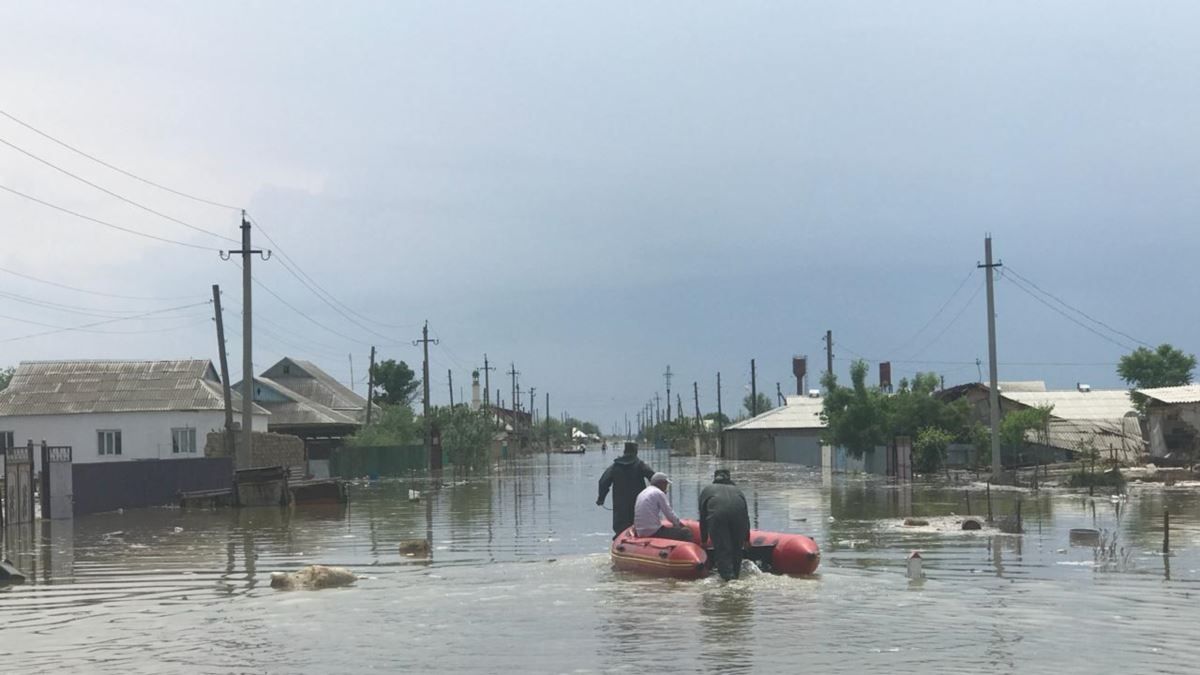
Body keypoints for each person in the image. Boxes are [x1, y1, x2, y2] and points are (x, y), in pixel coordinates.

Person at [698, 468, 751, 581]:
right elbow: (746, 516)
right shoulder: (738, 491)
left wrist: (703, 539)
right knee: (736, 550)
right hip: (739, 519)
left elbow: (703, 518)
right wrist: (746, 538)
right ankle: (735, 578)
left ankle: (728, 582)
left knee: (723, 551)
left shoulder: (707, 490)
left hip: (718, 517)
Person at [597, 442, 655, 534]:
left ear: (624, 451)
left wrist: (601, 498)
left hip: (620, 506)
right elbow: (654, 478)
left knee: (620, 530)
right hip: (639, 504)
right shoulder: (640, 465)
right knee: (640, 527)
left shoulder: (615, 467)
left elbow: (603, 482)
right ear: (636, 452)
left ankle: (620, 544)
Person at [633, 473, 692, 542]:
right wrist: (680, 525)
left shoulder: (642, 493)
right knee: (686, 532)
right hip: (653, 532)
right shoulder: (658, 493)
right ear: (661, 483)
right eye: (666, 484)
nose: (666, 487)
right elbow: (669, 514)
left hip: (640, 532)